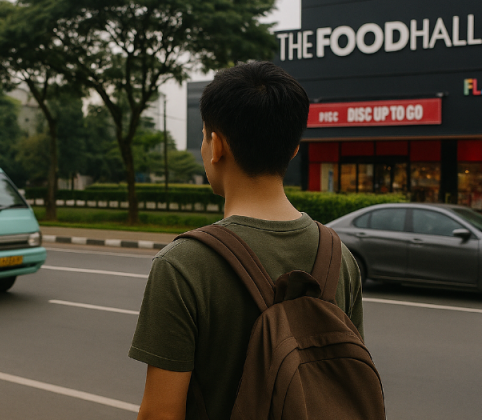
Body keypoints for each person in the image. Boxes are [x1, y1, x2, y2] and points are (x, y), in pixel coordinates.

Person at [129, 61, 364, 420]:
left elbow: (160, 413)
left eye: (205, 136)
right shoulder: (340, 257)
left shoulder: (183, 264)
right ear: (293, 149)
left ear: (216, 145)